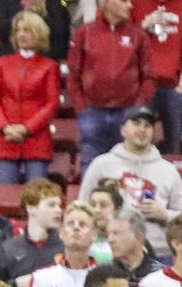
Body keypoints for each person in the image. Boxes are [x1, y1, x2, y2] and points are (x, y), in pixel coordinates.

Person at [79, 106, 182, 263]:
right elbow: (82, 208)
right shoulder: (101, 165)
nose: (142, 129)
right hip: (111, 251)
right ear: (123, 129)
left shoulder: (168, 170)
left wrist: (164, 214)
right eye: (136, 123)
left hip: (158, 252)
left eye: (147, 125)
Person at [67, 0, 156, 169]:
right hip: (92, 111)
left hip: (127, 112)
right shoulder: (83, 33)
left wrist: (136, 109)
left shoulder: (139, 36)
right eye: (124, 1)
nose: (130, 5)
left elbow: (149, 76)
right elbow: (73, 76)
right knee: (91, 167)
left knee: (128, 169)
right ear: (106, 2)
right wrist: (81, 107)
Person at [0, 10, 59, 184]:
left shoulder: (49, 66)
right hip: (5, 139)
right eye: (18, 30)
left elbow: (51, 104)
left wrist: (26, 129)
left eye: (26, 30)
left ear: (38, 34)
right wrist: (6, 128)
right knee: (5, 194)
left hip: (36, 140)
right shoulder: (3, 63)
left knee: (36, 194)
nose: (21, 35)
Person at [132, 0, 182, 155]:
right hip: (142, 82)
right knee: (136, 143)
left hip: (172, 83)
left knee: (173, 145)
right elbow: (125, 40)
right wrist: (143, 26)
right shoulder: (134, 3)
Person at [0, 178, 65, 287]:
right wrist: (17, 285)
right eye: (51, 205)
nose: (58, 210)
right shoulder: (9, 249)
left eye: (59, 205)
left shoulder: (66, 248)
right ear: (31, 208)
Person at [107, 208, 164, 287]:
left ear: (139, 238)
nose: (110, 240)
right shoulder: (103, 273)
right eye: (108, 234)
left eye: (116, 234)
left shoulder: (159, 274)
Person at [87, 179, 123, 263]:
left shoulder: (129, 241)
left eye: (103, 205)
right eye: (92, 205)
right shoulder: (81, 237)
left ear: (117, 209)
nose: (97, 210)